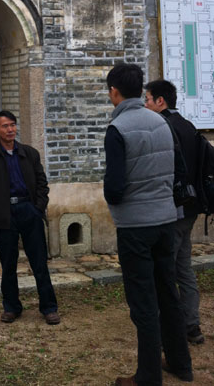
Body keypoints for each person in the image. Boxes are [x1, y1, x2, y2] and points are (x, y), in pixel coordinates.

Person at [104, 63, 192, 386]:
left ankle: (148, 376)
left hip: (135, 227)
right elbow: (179, 172)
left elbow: (113, 187)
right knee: (168, 292)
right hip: (166, 221)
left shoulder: (117, 129)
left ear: (114, 92)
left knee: (143, 301)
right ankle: (181, 364)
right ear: (141, 90)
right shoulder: (161, 123)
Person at [0, 110, 59, 325]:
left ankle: (49, 307)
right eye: (5, 126)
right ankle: (11, 307)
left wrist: (38, 208)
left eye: (13, 125)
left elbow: (42, 184)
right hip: (4, 214)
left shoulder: (29, 153)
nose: (10, 129)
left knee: (39, 262)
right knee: (8, 263)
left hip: (28, 210)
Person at [144, 79, 204, 345]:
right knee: (184, 269)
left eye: (147, 99)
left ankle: (173, 329)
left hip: (172, 210)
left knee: (166, 270)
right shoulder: (189, 126)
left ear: (160, 101)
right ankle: (192, 325)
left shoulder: (163, 126)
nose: (145, 104)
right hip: (191, 208)